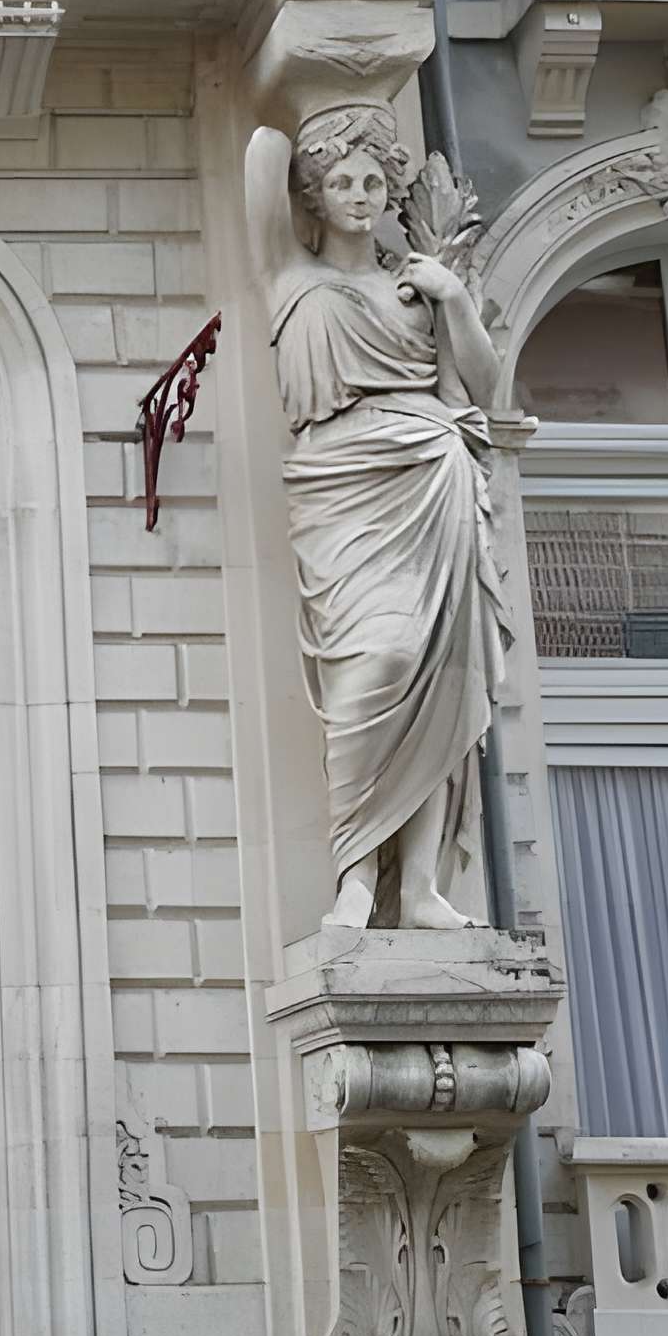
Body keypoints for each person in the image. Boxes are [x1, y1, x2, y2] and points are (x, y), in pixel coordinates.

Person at [250, 108, 503, 931]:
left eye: (373, 183)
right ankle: (355, 873)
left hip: (432, 482)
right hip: (339, 488)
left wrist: (454, 294)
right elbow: (262, 154)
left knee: (439, 682)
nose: (361, 197)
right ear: (314, 198)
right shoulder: (286, 272)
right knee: (376, 666)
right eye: (342, 183)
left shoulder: (418, 288)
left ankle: (420, 887)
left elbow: (482, 385)